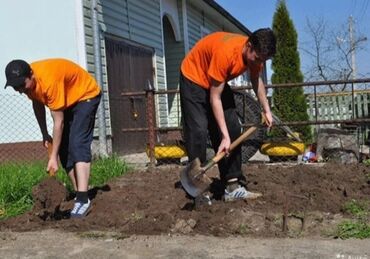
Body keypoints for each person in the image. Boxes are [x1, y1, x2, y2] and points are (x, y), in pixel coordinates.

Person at [180, 28, 276, 202]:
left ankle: (232, 185)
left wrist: (266, 109)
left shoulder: (257, 56)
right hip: (193, 78)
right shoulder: (226, 54)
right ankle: (197, 189)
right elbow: (214, 98)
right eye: (257, 58)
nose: (259, 62)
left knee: (233, 126)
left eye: (263, 60)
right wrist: (223, 137)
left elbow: (256, 80)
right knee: (198, 131)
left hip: (216, 81)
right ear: (248, 45)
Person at [4, 58, 101, 218]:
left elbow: (59, 122)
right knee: (63, 148)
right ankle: (80, 192)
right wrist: (44, 133)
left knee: (77, 143)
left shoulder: (49, 81)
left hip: (86, 94)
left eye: (22, 85)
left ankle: (83, 200)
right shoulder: (30, 86)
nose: (20, 89)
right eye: (16, 87)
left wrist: (53, 157)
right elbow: (37, 103)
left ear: (31, 75)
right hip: (69, 98)